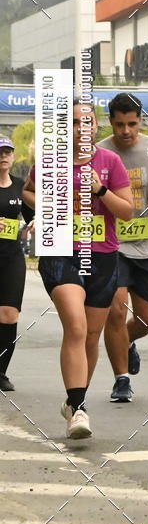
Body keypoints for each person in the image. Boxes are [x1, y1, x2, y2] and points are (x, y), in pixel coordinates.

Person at [23, 101, 133, 439]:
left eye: (86, 122)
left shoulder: (110, 162)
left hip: (101, 255)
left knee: (90, 334)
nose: (79, 128)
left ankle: (74, 400)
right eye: (72, 123)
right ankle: (79, 407)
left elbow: (127, 211)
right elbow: (28, 191)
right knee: (75, 324)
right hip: (60, 252)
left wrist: (100, 189)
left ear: (96, 126)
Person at [98, 93, 148, 402]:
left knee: (146, 319)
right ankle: (121, 380)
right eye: (119, 124)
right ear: (111, 122)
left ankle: (127, 342)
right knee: (114, 311)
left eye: (132, 124)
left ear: (140, 120)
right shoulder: (100, 152)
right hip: (112, 245)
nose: (126, 131)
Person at [0, 135, 34, 392]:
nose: (3, 156)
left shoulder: (21, 185)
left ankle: (1, 372)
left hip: (12, 255)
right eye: (0, 152)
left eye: (7, 152)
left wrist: (37, 221)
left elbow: (36, 213)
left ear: (12, 157)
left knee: (9, 314)